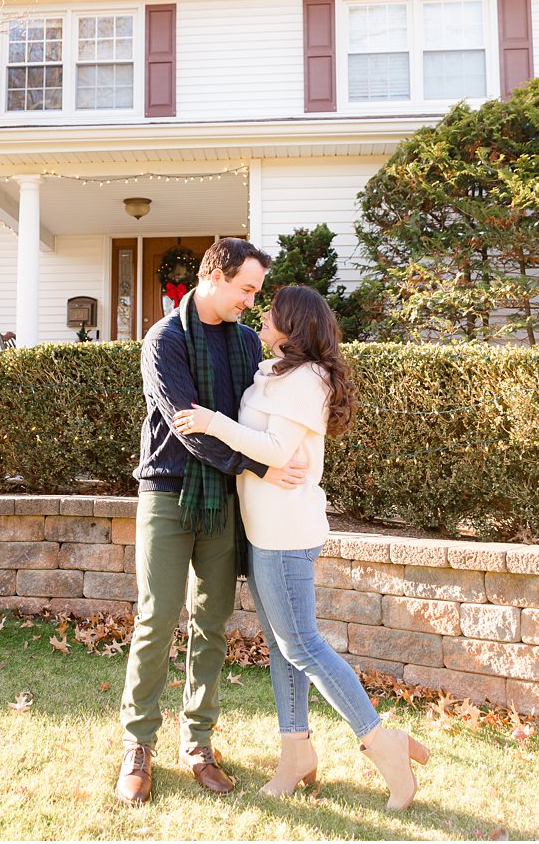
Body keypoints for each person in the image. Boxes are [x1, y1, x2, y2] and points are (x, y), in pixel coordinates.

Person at [171, 284, 430, 811]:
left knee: (303, 645)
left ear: (291, 326)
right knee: (284, 648)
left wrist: (209, 421)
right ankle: (296, 755)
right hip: (262, 528)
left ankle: (383, 743)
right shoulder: (274, 373)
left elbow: (276, 451)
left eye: (269, 313)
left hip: (287, 531)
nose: (260, 318)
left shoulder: (307, 380)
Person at [115, 238, 308, 806]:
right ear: (215, 277)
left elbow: (267, 409)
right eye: (246, 289)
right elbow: (187, 426)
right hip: (168, 493)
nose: (252, 301)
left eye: (256, 291)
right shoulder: (163, 340)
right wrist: (259, 465)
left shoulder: (249, 343)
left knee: (213, 623)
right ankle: (137, 746)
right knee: (156, 619)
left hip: (224, 499)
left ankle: (197, 743)